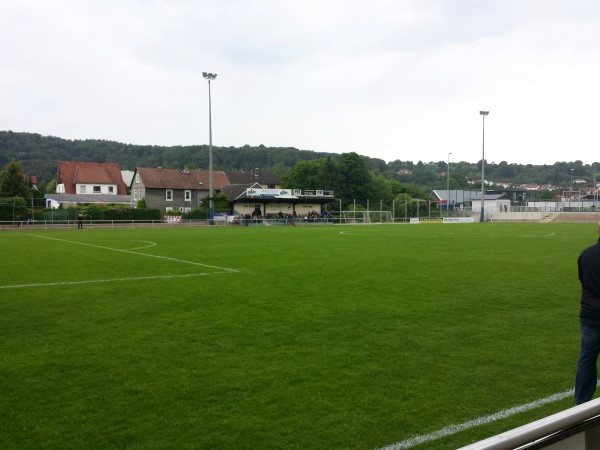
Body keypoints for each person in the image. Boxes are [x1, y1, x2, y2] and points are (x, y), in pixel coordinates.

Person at [575, 222, 600, 404]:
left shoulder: (586, 254)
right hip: (590, 313)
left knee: (587, 358)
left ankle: (581, 403)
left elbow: (582, 279)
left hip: (589, 314)